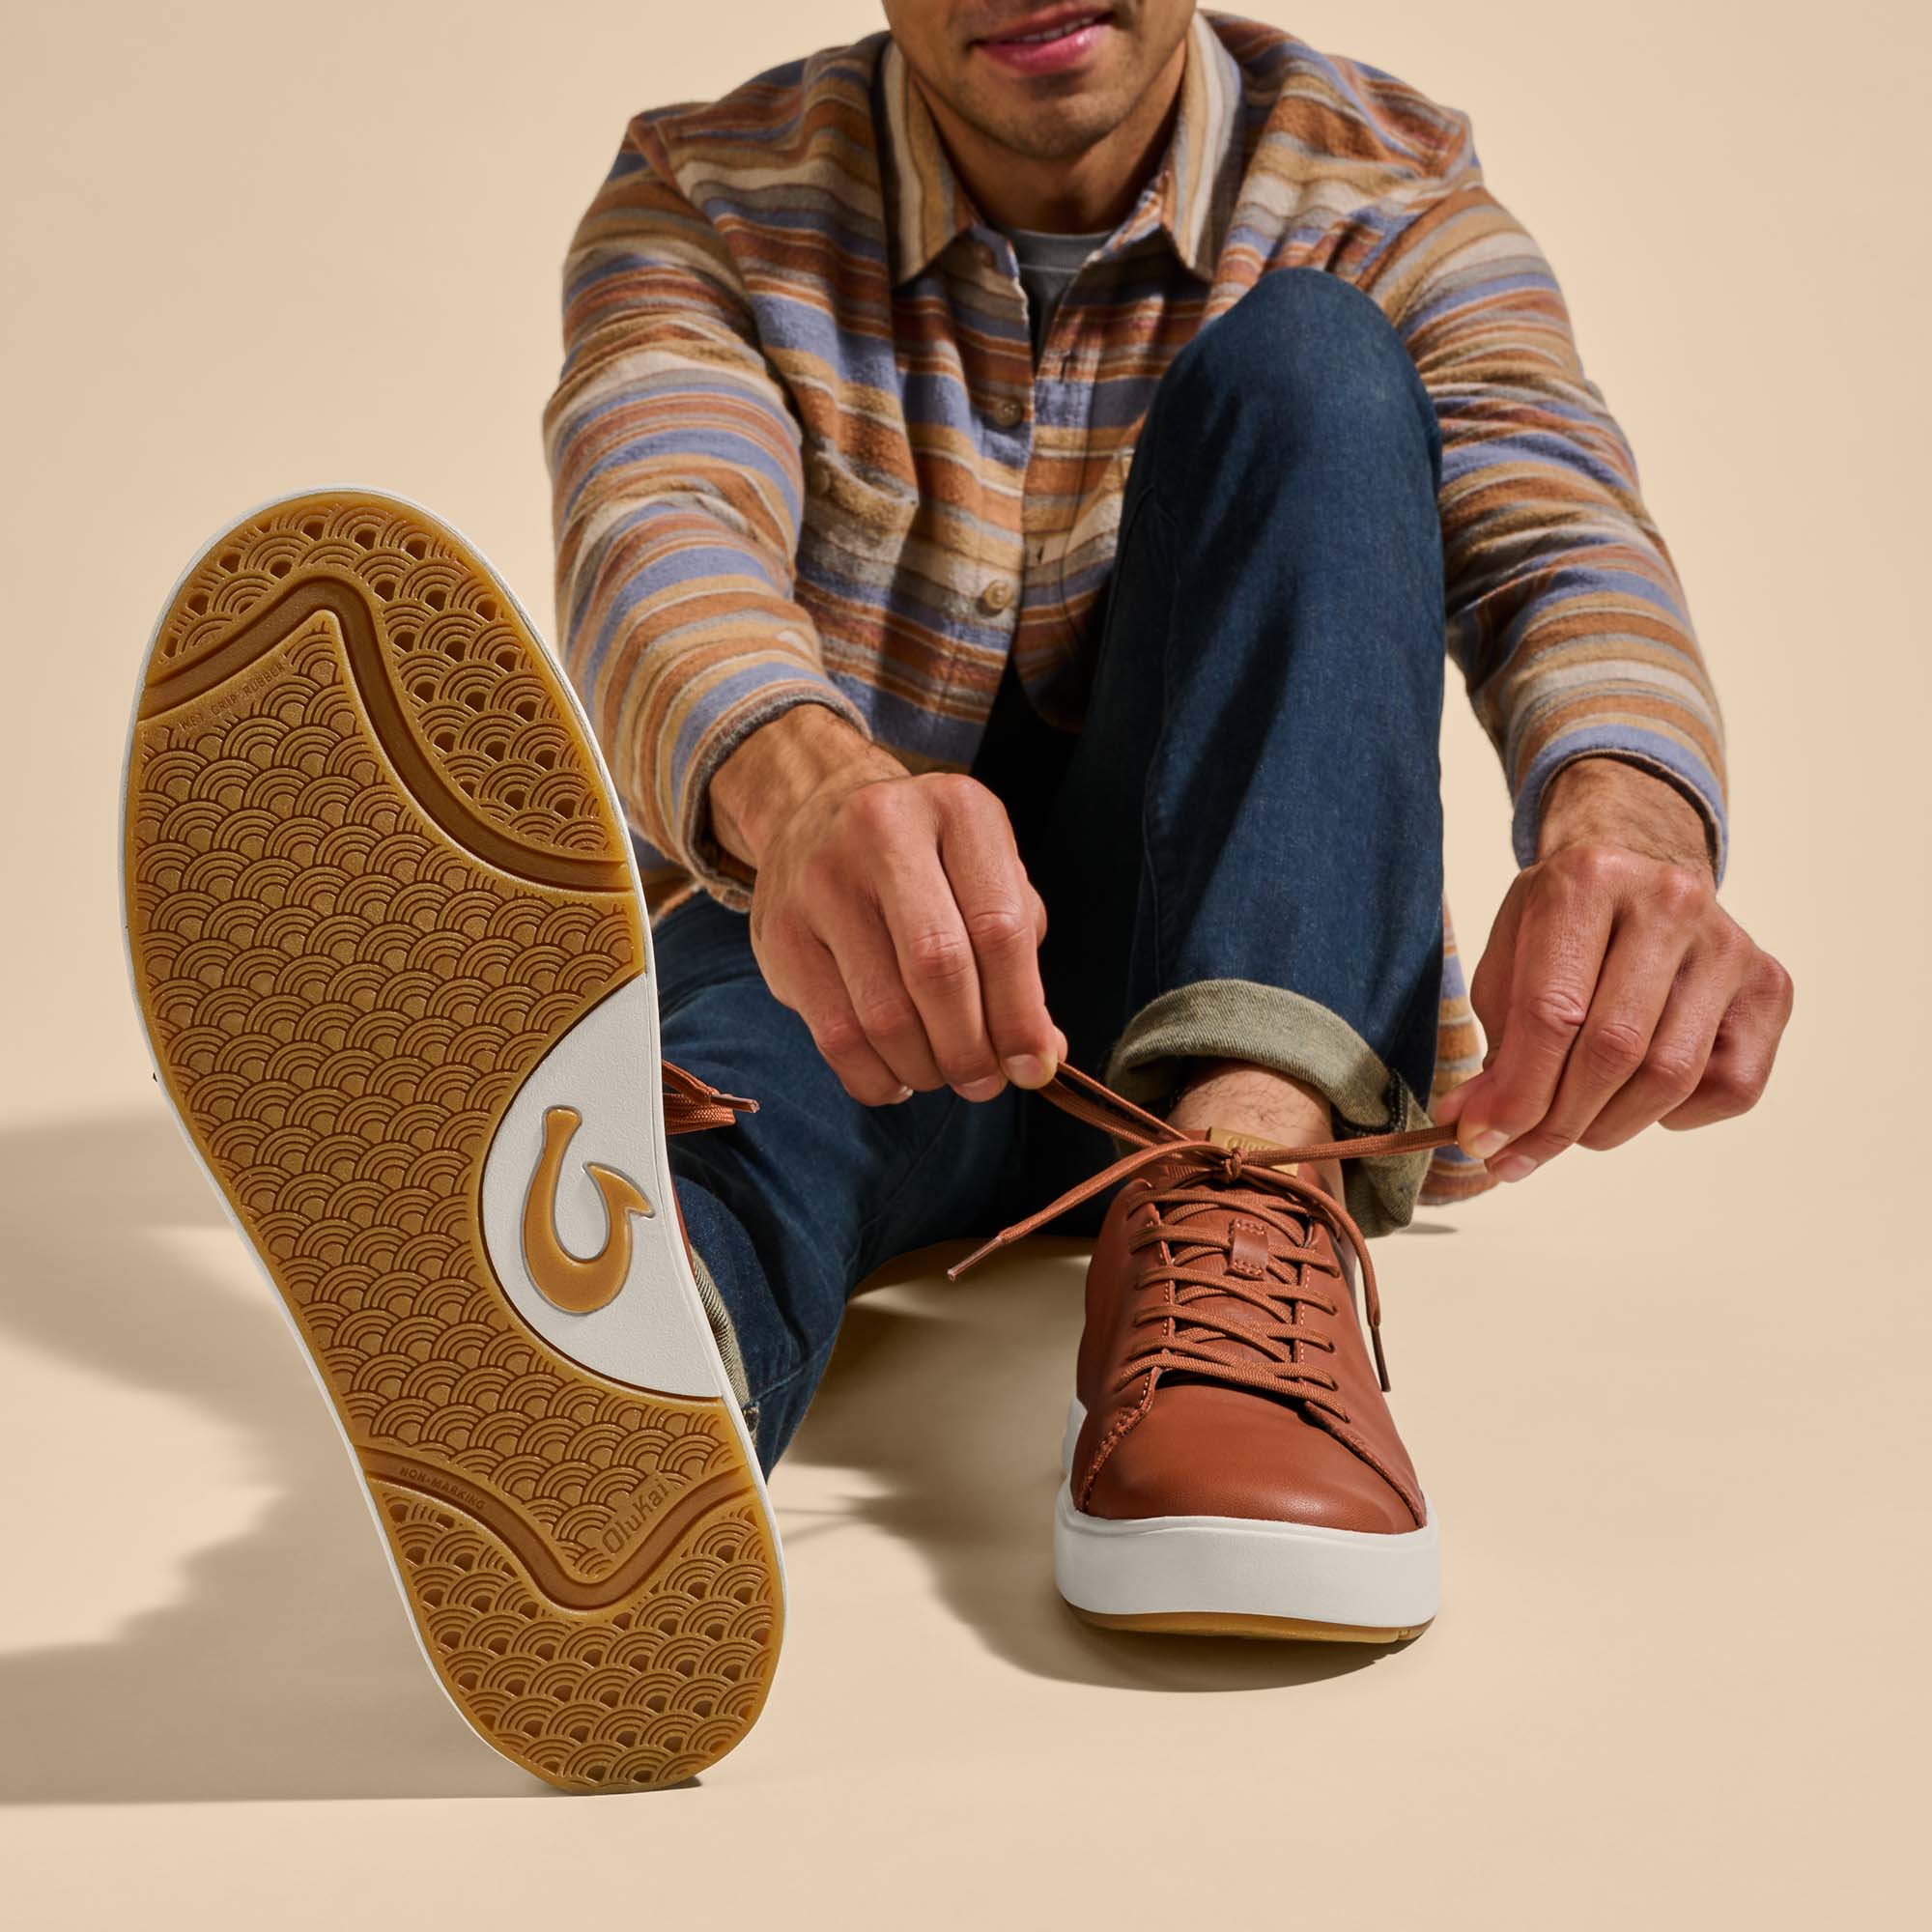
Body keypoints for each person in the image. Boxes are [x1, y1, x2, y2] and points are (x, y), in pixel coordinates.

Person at [121, 3, 1791, 1794]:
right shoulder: (707, 198)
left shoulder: (1391, 188)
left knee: (1313, 363)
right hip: (879, 988)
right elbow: (657, 517)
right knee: (742, 1085)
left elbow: (1557, 525)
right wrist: (804, 793)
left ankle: (1248, 1193)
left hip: (1248, 976)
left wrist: (1631, 829)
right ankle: (634, 1338)